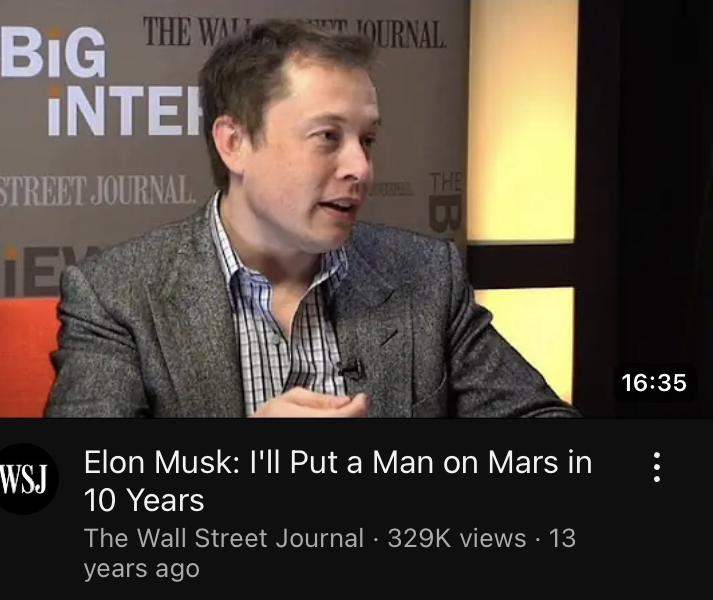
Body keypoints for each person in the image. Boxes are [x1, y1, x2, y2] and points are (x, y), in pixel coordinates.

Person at [44, 19, 579, 418]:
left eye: (367, 140)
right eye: (327, 137)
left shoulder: (425, 275)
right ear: (234, 143)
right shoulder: (117, 295)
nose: (360, 168)